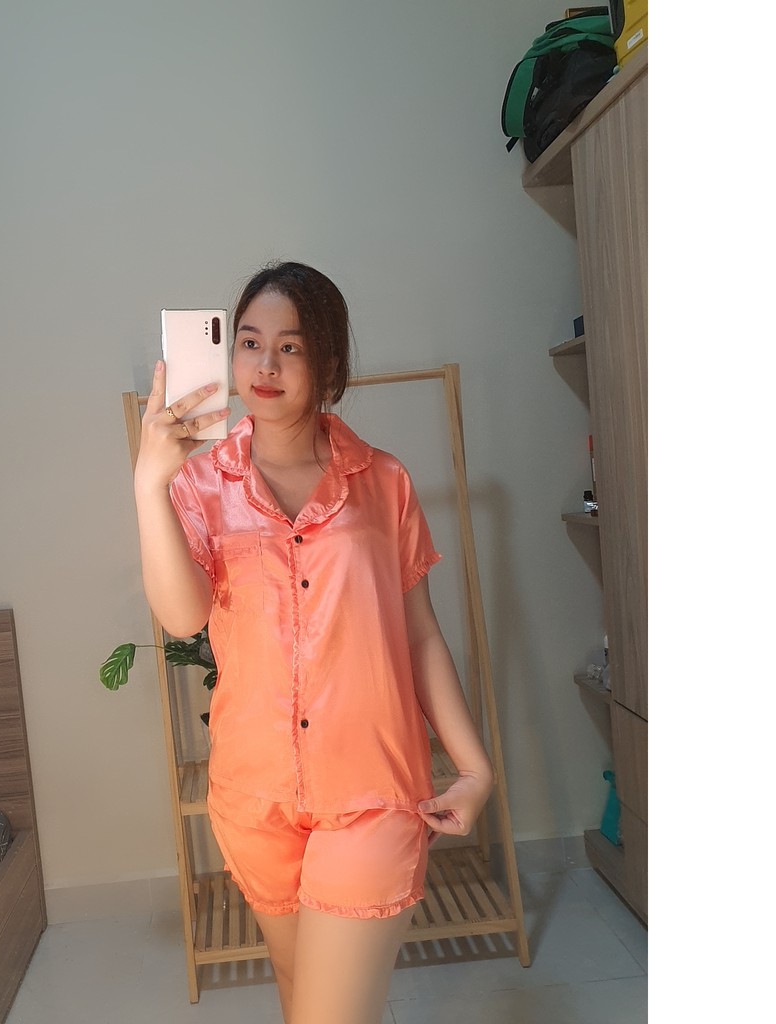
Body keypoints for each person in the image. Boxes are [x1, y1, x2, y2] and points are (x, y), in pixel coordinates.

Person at [134, 261, 493, 1024]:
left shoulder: (383, 482)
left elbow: (420, 635)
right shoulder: (199, 487)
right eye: (250, 342)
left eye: (290, 347)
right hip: (255, 797)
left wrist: (474, 768)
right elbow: (183, 617)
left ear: (329, 364)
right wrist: (148, 487)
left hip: (370, 792)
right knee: (300, 998)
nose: (265, 365)